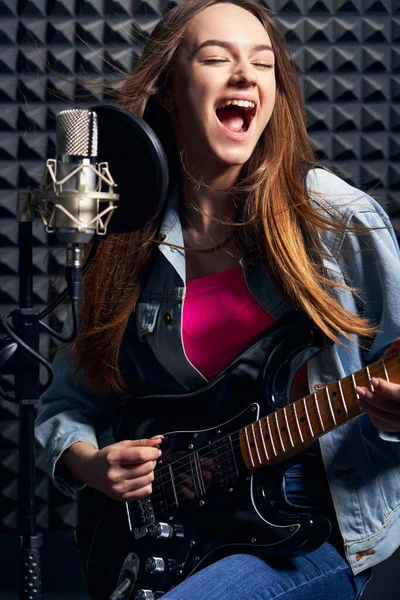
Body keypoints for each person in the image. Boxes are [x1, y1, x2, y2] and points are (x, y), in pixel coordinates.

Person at [35, 1, 400, 599]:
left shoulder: (337, 220)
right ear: (170, 92)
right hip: (172, 531)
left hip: (311, 525)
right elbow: (68, 401)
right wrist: (89, 463)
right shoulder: (126, 231)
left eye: (262, 64)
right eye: (215, 58)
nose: (245, 76)